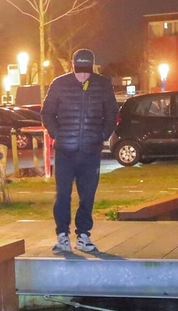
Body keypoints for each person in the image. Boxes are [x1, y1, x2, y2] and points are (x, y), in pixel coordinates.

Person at [40, 48, 119, 252]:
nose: (83, 75)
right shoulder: (59, 84)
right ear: (72, 66)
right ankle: (62, 235)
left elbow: (111, 113)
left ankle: (83, 235)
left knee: (87, 195)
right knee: (63, 194)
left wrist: (101, 135)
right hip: (65, 150)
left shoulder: (102, 84)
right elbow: (47, 112)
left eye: (87, 70)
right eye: (80, 70)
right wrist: (57, 133)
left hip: (90, 151)